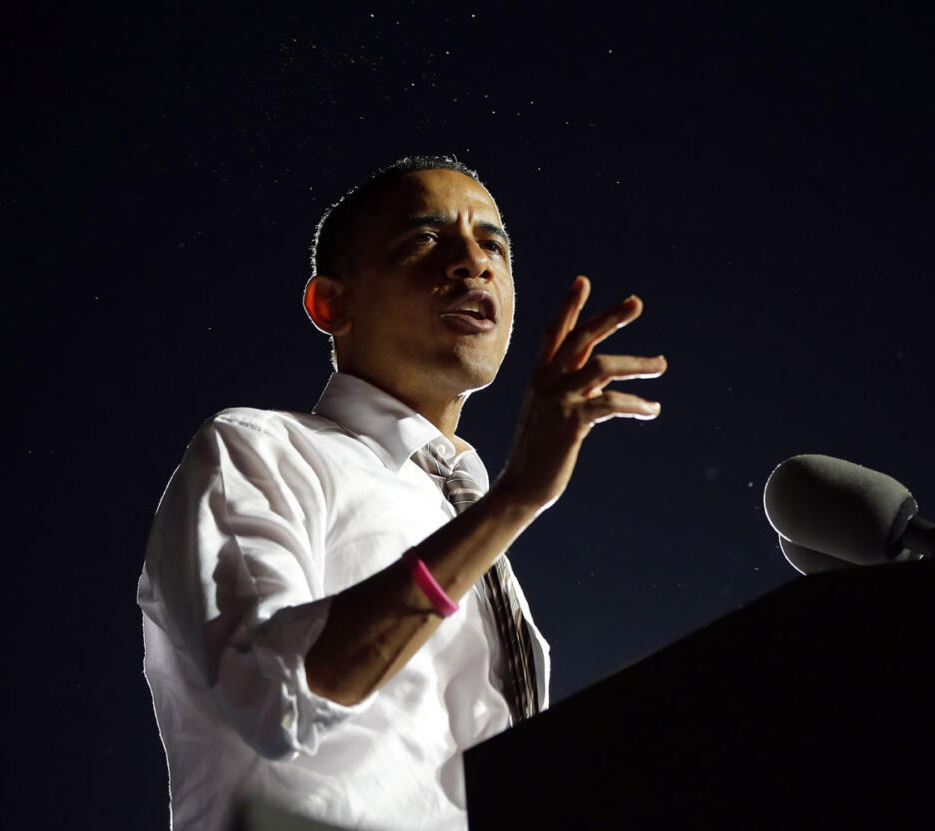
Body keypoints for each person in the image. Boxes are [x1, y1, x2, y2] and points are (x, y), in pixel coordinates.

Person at [137, 155, 667, 831]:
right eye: (424, 239)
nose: (474, 263)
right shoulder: (258, 450)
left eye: (494, 245)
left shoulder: (466, 521)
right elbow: (275, 695)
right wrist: (515, 499)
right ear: (332, 303)